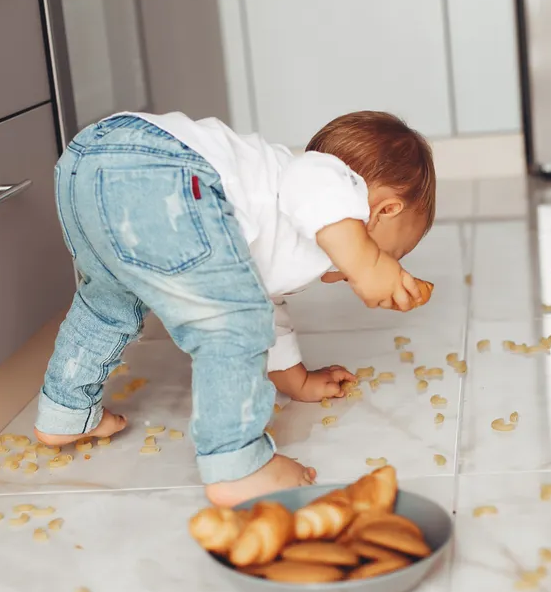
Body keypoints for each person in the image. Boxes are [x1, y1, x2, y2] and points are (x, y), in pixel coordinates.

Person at [33, 110, 436, 506]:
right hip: (156, 170)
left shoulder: (280, 228)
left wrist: (296, 380)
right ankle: (238, 466)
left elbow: (261, 302)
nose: (381, 266)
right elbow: (315, 184)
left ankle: (66, 412)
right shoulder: (323, 178)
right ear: (384, 210)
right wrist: (369, 265)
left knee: (109, 300)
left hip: (83, 169)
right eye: (394, 252)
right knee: (230, 324)